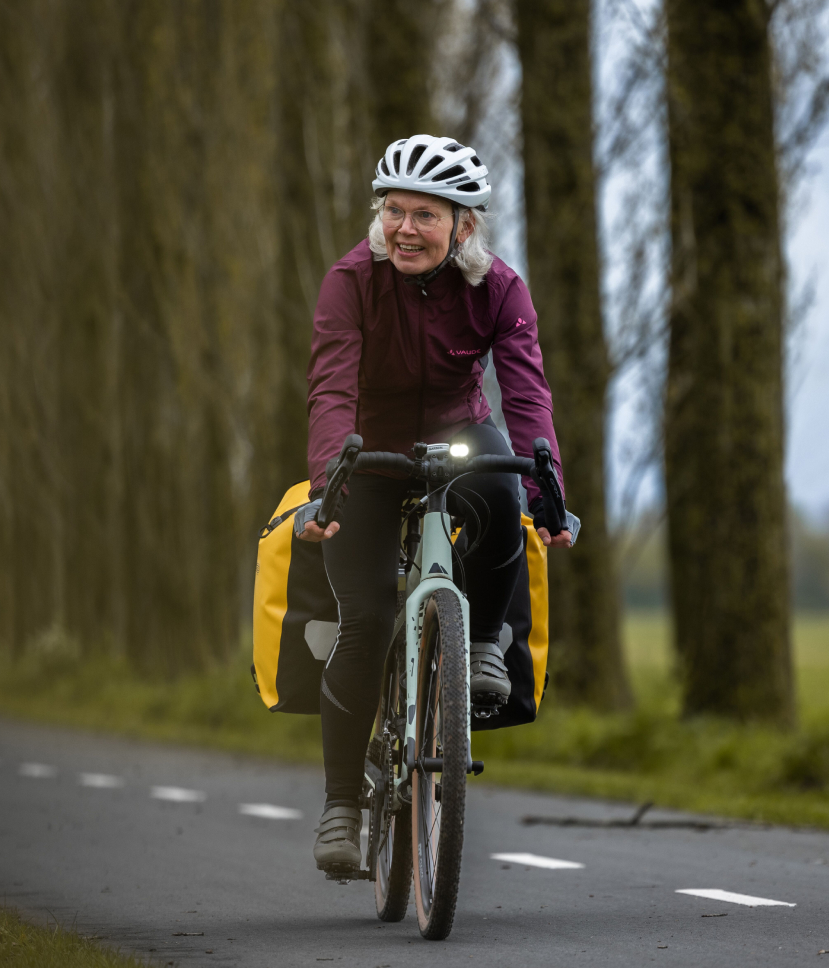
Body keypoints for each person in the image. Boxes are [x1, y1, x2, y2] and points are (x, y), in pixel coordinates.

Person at [297, 135, 572, 872]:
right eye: (393, 211)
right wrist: (329, 481)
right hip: (370, 451)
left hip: (457, 432)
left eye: (425, 214)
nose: (405, 228)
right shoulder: (350, 281)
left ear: (465, 226)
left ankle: (482, 641)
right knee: (370, 620)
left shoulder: (500, 289)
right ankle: (341, 808)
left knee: (500, 481)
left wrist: (551, 495)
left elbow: (526, 393)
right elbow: (331, 388)